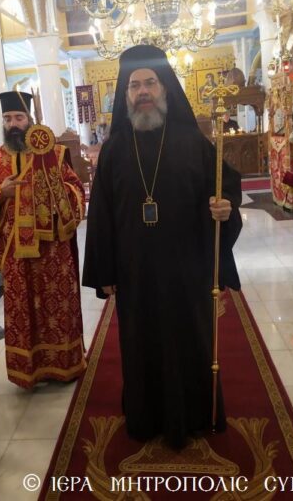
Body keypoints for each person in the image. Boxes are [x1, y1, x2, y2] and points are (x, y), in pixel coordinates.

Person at [83, 45, 242, 449]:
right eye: (134, 85)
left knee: (191, 337)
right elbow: (100, 213)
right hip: (135, 270)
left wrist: (224, 207)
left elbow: (224, 186)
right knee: (141, 342)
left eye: (150, 83)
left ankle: (195, 413)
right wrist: (105, 271)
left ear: (165, 88)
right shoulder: (114, 149)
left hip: (187, 265)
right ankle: (146, 415)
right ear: (125, 94)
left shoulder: (193, 141)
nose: (143, 91)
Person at [0, 91, 86, 389]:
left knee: (57, 306)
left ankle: (64, 365)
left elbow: (76, 191)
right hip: (16, 253)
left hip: (53, 250)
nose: (13, 124)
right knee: (24, 309)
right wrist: (0, 193)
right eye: (8, 118)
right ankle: (30, 370)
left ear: (30, 120)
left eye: (19, 117)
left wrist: (56, 190)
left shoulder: (54, 155)